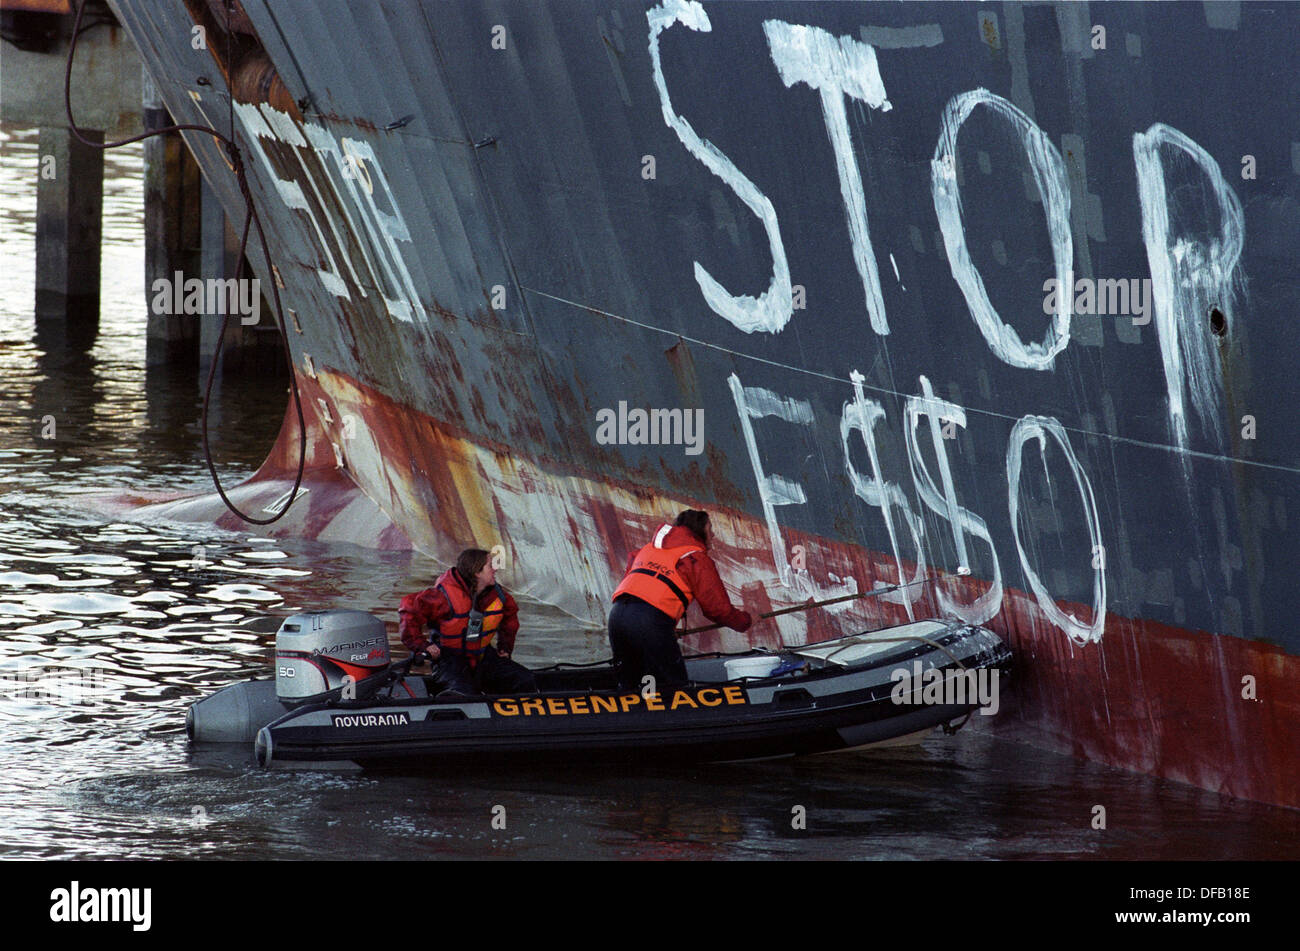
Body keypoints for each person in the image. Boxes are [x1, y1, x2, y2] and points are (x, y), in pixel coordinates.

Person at [608, 510, 752, 692]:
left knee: (633, 685)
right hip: (649, 623)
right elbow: (718, 610)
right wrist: (747, 621)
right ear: (699, 530)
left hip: (617, 618)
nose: (713, 534)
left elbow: (640, 586)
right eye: (710, 528)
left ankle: (638, 715)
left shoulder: (647, 549)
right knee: (673, 689)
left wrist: (661, 628)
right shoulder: (694, 557)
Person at [398, 548, 537, 697]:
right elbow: (409, 608)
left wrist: (505, 648)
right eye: (490, 566)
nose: (495, 569)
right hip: (450, 660)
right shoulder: (443, 597)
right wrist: (421, 645)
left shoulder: (498, 595)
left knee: (525, 680)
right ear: (477, 572)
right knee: (463, 693)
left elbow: (510, 619)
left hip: (483, 657)